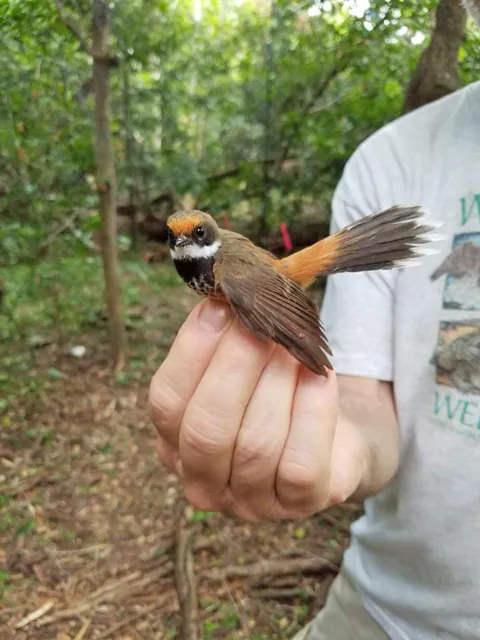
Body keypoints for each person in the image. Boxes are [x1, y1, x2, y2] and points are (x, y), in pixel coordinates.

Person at [148, 2, 480, 636]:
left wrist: (299, 342)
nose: (184, 247)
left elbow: (271, 299)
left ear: (210, 235)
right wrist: (340, 447)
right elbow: (361, 400)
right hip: (385, 606)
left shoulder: (232, 268)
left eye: (194, 236)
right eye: (177, 240)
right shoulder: (393, 157)